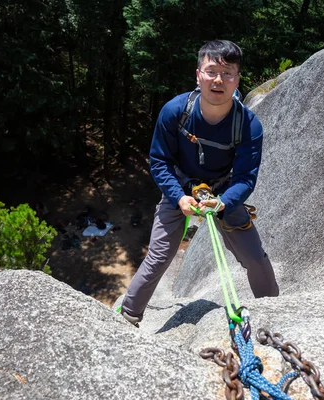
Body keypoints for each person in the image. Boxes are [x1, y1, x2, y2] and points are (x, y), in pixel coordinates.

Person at [120, 39, 279, 326]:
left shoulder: (248, 125)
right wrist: (178, 197)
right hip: (180, 188)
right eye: (211, 71)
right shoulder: (175, 111)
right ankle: (128, 316)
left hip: (223, 192)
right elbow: (159, 161)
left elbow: (245, 178)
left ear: (237, 79)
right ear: (198, 75)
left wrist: (223, 202)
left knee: (255, 258)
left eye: (228, 73)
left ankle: (276, 314)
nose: (218, 80)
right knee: (158, 257)